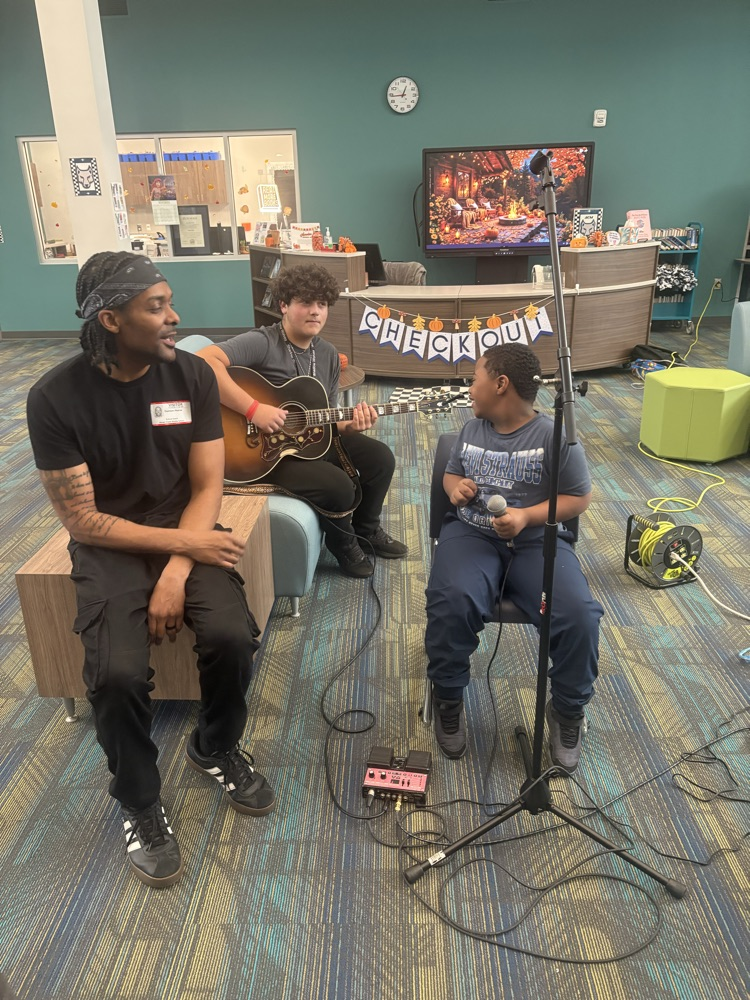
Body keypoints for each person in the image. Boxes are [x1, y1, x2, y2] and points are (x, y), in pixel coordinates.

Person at [26, 251, 275, 889]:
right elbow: (82, 522)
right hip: (110, 543)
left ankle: (214, 747)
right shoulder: (54, 399)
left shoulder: (189, 374)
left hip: (187, 527)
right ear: (110, 319)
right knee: (114, 675)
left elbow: (208, 481)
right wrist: (172, 552)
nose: (176, 318)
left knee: (229, 635)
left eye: (169, 302)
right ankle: (139, 799)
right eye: (156, 307)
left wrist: (176, 565)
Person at [424, 343, 603, 771]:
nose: (470, 388)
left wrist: (526, 517)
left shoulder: (554, 436)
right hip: (471, 534)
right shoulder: (471, 430)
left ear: (500, 384)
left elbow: (579, 498)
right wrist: (455, 489)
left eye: (475, 378)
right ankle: (448, 696)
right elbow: (452, 472)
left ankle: (567, 711)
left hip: (534, 541)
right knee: (452, 599)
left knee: (579, 615)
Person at [198, 263, 407, 577]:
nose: (315, 312)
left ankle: (367, 530)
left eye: (321, 304)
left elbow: (327, 419)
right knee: (338, 486)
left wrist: (351, 425)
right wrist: (254, 409)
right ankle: (343, 544)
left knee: (381, 458)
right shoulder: (263, 342)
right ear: (284, 305)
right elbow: (204, 361)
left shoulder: (327, 355)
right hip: (262, 453)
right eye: (305, 303)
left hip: (307, 440)